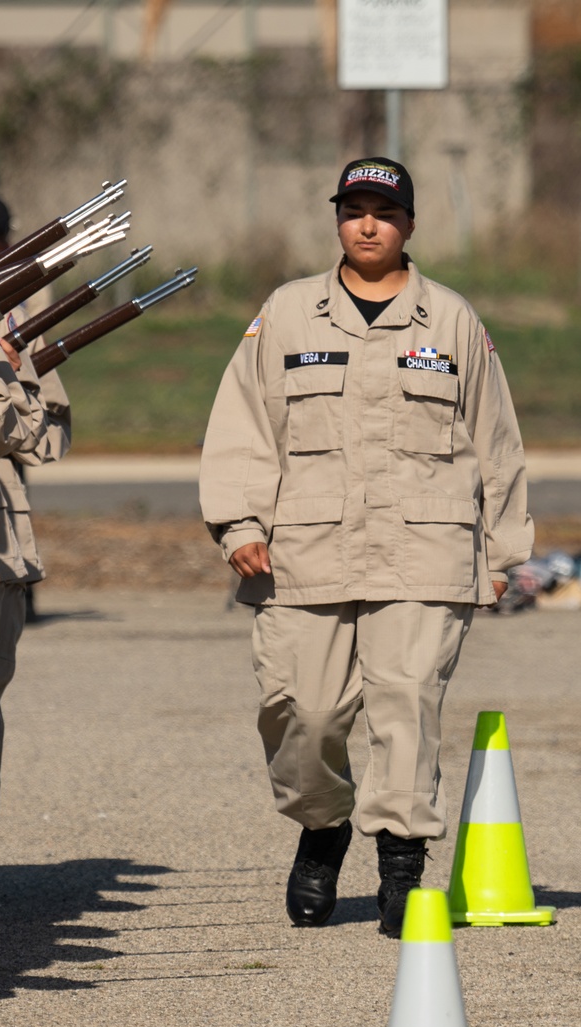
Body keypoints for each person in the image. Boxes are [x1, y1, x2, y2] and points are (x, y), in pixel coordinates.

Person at [199, 157, 533, 937]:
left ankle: (402, 863)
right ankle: (323, 829)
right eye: (354, 209)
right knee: (303, 713)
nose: (369, 223)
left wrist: (502, 553)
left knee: (407, 703)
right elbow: (241, 424)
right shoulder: (287, 313)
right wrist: (240, 524)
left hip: (425, 552)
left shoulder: (451, 321)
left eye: (385, 210)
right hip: (306, 552)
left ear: (410, 224)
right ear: (338, 219)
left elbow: (498, 441)